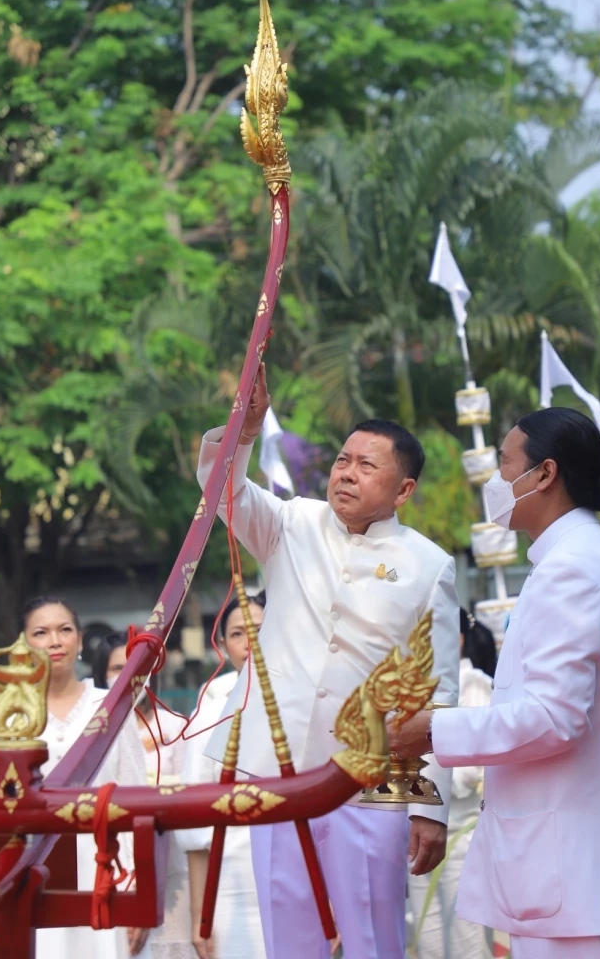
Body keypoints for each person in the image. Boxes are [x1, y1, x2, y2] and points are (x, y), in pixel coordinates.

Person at [197, 363, 460, 959]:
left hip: (371, 779)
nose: (347, 473)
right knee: (290, 936)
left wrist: (429, 805)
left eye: (368, 466)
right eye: (344, 460)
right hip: (280, 769)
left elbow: (434, 690)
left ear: (404, 489)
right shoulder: (292, 521)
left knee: (373, 937)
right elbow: (221, 487)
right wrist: (248, 425)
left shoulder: (429, 564)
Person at [394, 407, 600, 959]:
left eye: (505, 464)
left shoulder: (572, 569)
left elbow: (555, 717)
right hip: (580, 868)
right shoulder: (590, 559)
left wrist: (433, 730)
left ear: (545, 474)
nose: (495, 481)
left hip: (567, 872)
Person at [0, 597, 151, 959]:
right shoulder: (8, 717)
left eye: (64, 630)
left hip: (107, 870)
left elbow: (139, 800)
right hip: (34, 874)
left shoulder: (112, 707)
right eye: (41, 633)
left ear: (78, 640)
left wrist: (138, 890)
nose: (55, 641)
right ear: (24, 645)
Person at [93, 632, 194, 959]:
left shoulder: (177, 726)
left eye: (137, 667)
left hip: (170, 860)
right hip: (112, 858)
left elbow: (190, 792)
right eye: (117, 668)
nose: (129, 676)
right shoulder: (93, 731)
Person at [181, 593, 267, 959]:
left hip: (299, 875)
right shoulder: (210, 711)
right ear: (223, 644)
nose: (249, 642)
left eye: (261, 631)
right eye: (237, 633)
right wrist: (200, 914)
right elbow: (195, 821)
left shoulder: (311, 702)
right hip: (231, 883)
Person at [408, 609, 494, 959]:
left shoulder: (473, 684)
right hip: (413, 832)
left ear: (454, 639)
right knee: (426, 937)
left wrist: (420, 778)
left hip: (462, 833)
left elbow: (474, 769)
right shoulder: (403, 689)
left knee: (467, 937)